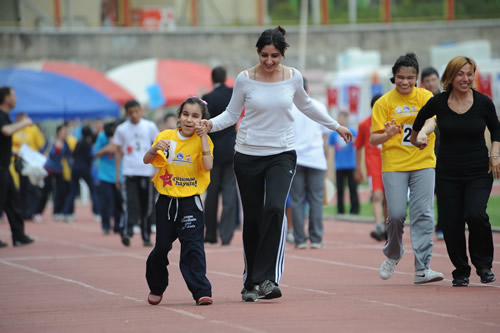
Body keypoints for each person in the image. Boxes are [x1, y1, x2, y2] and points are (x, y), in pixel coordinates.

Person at [201, 26, 352, 302]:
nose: (269, 61)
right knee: (253, 218)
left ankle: (268, 279)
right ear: (258, 53)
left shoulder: (293, 77)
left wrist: (335, 126)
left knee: (274, 209)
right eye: (264, 55)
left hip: (282, 154)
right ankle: (250, 282)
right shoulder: (245, 79)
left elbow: (307, 106)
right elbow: (231, 115)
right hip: (247, 155)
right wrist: (208, 124)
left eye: (274, 56)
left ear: (283, 54)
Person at [411, 56, 500, 287]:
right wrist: (416, 139)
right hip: (447, 173)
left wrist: (495, 154)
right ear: (450, 77)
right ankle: (461, 269)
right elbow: (419, 121)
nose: (466, 78)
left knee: (475, 214)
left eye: (469, 74)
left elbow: (496, 131)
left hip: (478, 171)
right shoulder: (439, 102)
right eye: (460, 74)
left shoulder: (483, 102)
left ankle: (483, 265)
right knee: (451, 222)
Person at [369, 53, 444, 284]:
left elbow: (432, 120)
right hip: (395, 164)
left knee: (423, 213)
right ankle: (393, 253)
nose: (404, 82)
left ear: (417, 78)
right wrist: (388, 134)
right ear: (394, 77)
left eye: (410, 77)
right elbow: (373, 138)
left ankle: (422, 268)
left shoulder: (425, 96)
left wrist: (422, 133)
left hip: (423, 162)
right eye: (400, 77)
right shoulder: (384, 103)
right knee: (397, 214)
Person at [144, 97, 213, 306]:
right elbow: (147, 160)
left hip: (191, 202)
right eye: (185, 114)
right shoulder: (166, 137)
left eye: (195, 116)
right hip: (166, 202)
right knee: (162, 247)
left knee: (193, 247)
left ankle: (201, 291)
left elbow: (208, 166)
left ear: (202, 120)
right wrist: (154, 148)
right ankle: (156, 286)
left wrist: (202, 138)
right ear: (179, 116)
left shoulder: (205, 142)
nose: (189, 120)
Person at [289, 77, 329, 249]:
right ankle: (316, 239)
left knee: (297, 200)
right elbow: (325, 137)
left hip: (295, 158)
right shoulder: (319, 106)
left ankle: (299, 240)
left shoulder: (289, 108)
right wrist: (325, 159)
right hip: (316, 159)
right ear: (308, 89)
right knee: (316, 200)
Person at [113, 100, 159, 247]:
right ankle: (126, 231)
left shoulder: (150, 126)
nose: (134, 115)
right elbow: (118, 152)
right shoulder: (121, 129)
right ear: (126, 113)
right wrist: (118, 175)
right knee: (130, 203)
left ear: (141, 111)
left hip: (146, 172)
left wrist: (156, 168)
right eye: (130, 112)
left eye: (136, 112)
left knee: (147, 205)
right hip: (129, 171)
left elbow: (158, 146)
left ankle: (146, 235)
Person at [202, 66, 239, 245]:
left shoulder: (207, 98)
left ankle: (210, 234)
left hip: (213, 150)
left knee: (212, 193)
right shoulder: (232, 94)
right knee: (230, 194)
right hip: (232, 149)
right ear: (225, 78)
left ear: (212, 79)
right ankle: (226, 235)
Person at [0, 86, 34, 247]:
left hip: (5, 167)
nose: (17, 99)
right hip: (0, 168)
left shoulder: (6, 116)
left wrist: (12, 151)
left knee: (13, 202)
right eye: (14, 95)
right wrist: (23, 123)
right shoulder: (1, 116)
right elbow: (6, 131)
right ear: (6, 99)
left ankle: (18, 235)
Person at [354, 94, 387, 241]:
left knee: (389, 198)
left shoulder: (390, 122)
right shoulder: (364, 124)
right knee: (378, 195)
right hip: (373, 164)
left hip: (390, 163)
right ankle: (379, 227)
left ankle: (388, 228)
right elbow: (358, 147)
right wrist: (358, 169)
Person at [421, 66, 444, 240]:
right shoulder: (421, 102)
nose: (430, 84)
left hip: (445, 153)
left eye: (433, 80)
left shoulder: (446, 100)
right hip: (426, 153)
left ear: (439, 80)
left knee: (444, 192)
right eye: (427, 81)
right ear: (423, 83)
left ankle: (442, 226)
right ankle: (426, 226)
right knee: (427, 194)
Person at [11, 112, 46, 221]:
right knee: (22, 188)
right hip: (19, 163)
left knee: (33, 188)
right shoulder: (14, 130)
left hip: (32, 163)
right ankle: (22, 211)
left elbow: (41, 144)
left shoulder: (33, 129)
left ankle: (31, 211)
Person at [35, 123, 72, 221]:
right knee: (45, 191)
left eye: (66, 132)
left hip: (59, 169)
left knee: (61, 191)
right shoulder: (50, 142)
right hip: (48, 169)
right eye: (64, 132)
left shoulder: (66, 144)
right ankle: (38, 212)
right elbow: (41, 151)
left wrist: (71, 169)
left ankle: (57, 212)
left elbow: (68, 158)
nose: (66, 134)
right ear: (59, 132)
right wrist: (44, 154)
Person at [62, 126, 97, 222]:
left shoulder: (78, 142)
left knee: (73, 191)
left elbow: (73, 154)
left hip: (75, 168)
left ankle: (66, 212)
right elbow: (90, 157)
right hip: (84, 169)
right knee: (93, 190)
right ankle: (97, 212)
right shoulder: (88, 144)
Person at [94, 121, 122, 234]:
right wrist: (107, 148)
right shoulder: (101, 136)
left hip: (119, 174)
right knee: (106, 200)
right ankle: (105, 225)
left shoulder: (122, 136)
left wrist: (118, 148)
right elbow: (95, 153)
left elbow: (128, 152)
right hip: (105, 175)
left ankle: (117, 225)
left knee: (118, 201)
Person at [329, 111, 360, 215]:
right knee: (340, 189)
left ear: (346, 119)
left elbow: (358, 144)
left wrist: (353, 139)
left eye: (343, 118)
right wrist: (330, 167)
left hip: (351, 164)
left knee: (353, 188)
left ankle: (354, 210)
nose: (341, 120)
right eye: (339, 117)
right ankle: (340, 210)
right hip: (339, 165)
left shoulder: (353, 132)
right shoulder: (333, 134)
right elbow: (331, 150)